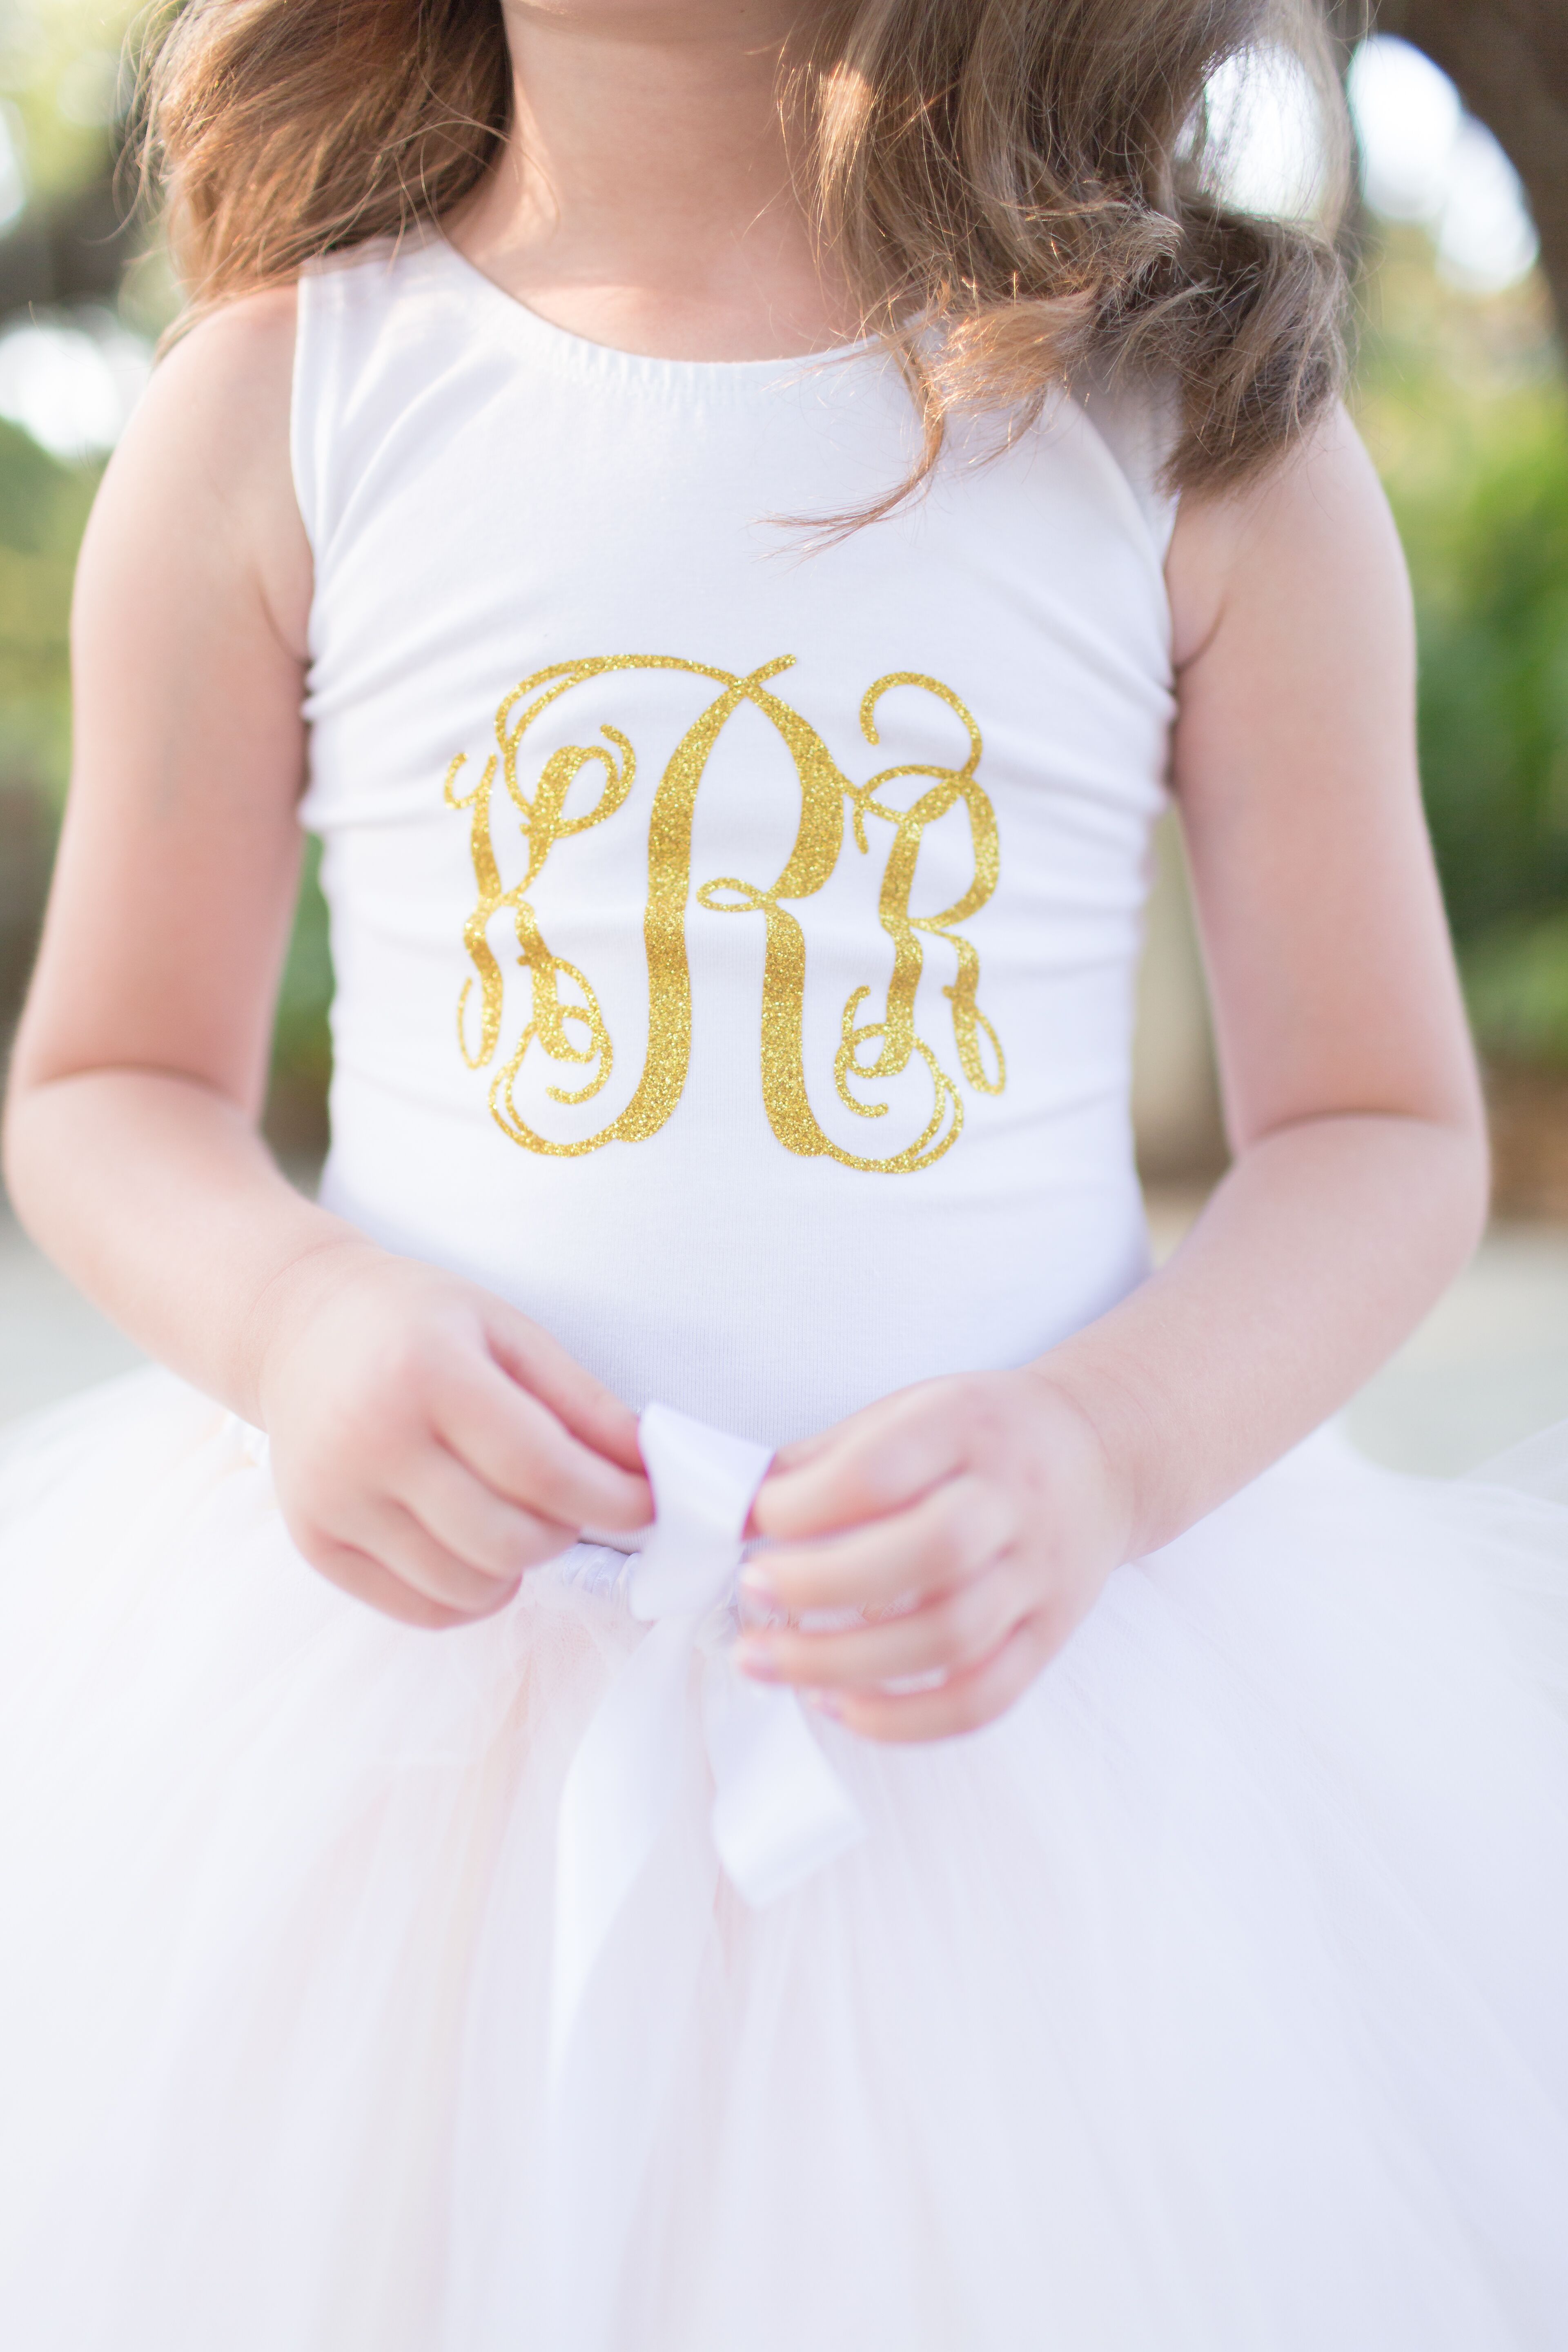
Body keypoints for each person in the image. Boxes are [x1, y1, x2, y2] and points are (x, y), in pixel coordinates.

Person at [1, 0, 1564, 2344]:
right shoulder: (281, 402)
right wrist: (295, 1321)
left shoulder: (1190, 414)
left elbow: (1381, 1131)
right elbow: (107, 1081)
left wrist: (1104, 1456)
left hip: (1038, 1711)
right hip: (402, 1746)